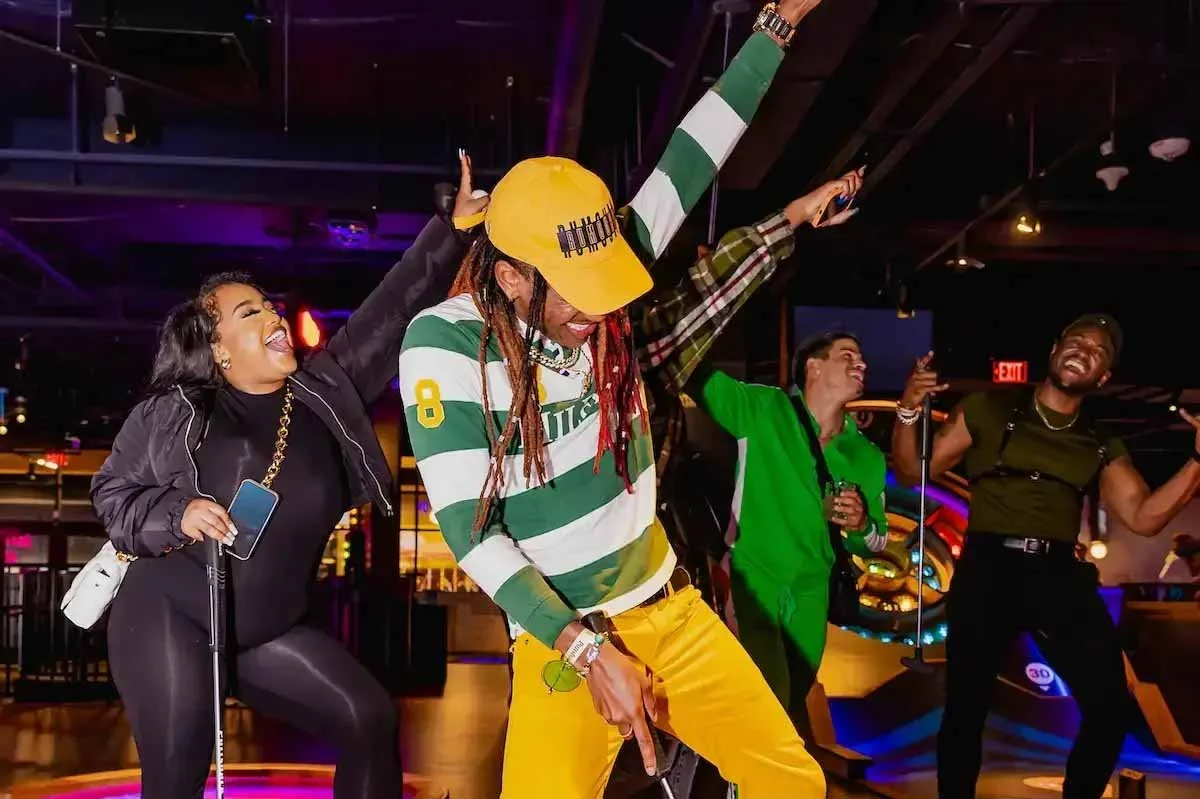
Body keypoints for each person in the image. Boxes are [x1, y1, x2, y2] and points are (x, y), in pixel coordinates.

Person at [400, 6, 838, 796]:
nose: (600, 308)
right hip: (563, 637)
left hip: (672, 611)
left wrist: (774, 28)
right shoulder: (446, 345)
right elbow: (471, 532)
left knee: (794, 784)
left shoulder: (601, 269)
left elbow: (691, 157)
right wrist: (585, 649)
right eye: (576, 292)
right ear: (511, 276)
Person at [89, 155, 484, 799]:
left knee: (367, 718)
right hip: (170, 615)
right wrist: (177, 513)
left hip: (265, 630)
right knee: (179, 771)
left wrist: (453, 231)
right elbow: (113, 496)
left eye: (270, 307)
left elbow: (391, 310)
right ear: (217, 349)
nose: (273, 317)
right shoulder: (174, 412)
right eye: (250, 314)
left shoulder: (325, 392)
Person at [892, 314, 1200, 799]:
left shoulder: (1098, 440)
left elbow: (1143, 517)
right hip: (989, 568)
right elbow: (913, 472)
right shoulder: (989, 407)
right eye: (1076, 341)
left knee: (1111, 707)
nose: (1084, 350)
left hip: (1057, 574)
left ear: (1103, 377)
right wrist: (909, 408)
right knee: (966, 708)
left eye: (1098, 351)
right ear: (1055, 349)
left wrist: (1197, 461)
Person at [678, 327, 886, 740]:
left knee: (790, 699)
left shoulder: (865, 455)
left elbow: (877, 541)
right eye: (847, 356)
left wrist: (861, 524)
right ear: (814, 367)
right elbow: (690, 371)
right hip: (754, 578)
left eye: (862, 359)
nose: (861, 364)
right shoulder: (762, 408)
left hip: (812, 589)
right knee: (767, 701)